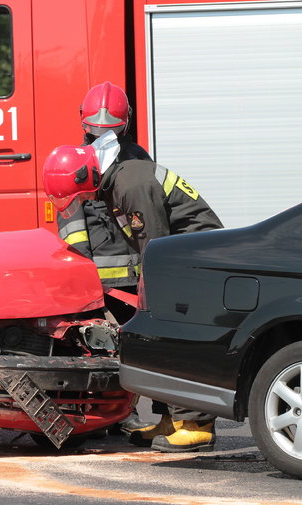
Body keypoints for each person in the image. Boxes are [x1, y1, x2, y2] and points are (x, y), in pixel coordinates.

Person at [42, 139, 223, 453]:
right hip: (185, 260)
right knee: (153, 338)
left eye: (80, 195)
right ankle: (171, 420)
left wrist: (151, 291)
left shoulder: (131, 184)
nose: (82, 201)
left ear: (87, 177)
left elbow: (156, 247)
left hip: (196, 262)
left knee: (175, 337)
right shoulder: (117, 181)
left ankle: (196, 425)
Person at [57, 82, 153, 434]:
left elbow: (71, 225)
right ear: (126, 121)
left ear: (83, 122)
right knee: (122, 347)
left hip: (110, 276)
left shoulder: (75, 161)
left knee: (109, 347)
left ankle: (117, 414)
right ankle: (116, 414)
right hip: (123, 276)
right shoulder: (137, 157)